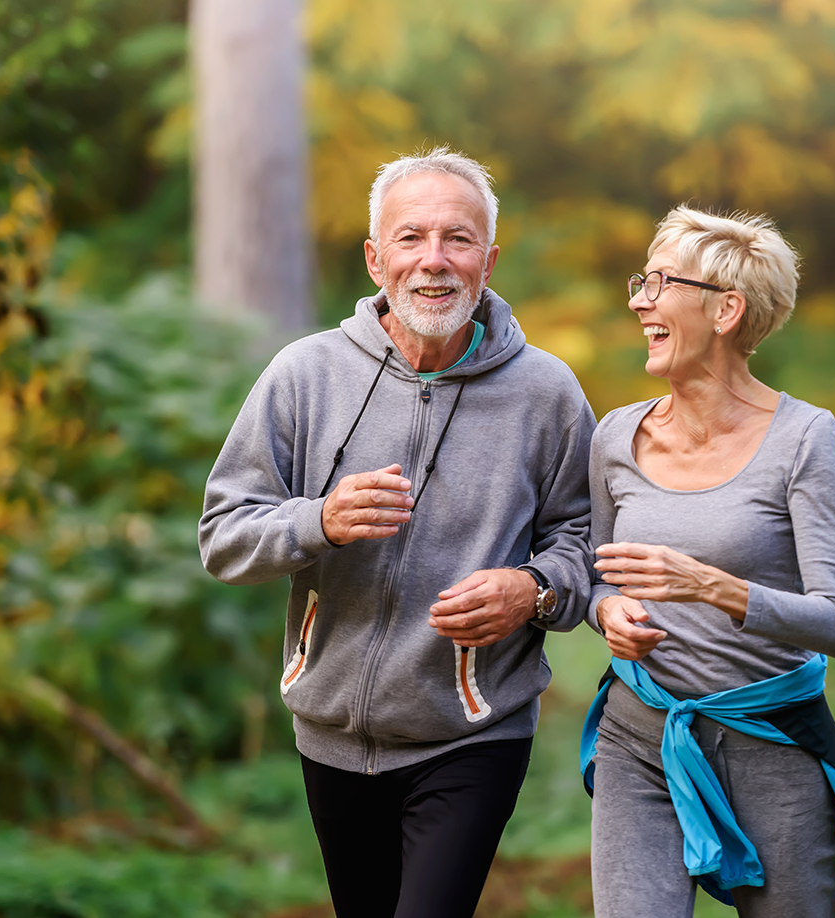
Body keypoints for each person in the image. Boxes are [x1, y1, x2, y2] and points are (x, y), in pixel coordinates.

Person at [199, 147, 595, 918]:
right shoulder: (304, 374)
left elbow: (584, 546)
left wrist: (533, 589)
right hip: (330, 731)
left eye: (458, 238)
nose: (434, 262)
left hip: (472, 731)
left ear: (489, 258)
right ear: (377, 259)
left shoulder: (546, 393)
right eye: (411, 238)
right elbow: (222, 536)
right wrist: (318, 521)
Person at [579, 205, 835, 918]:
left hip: (773, 745)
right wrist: (606, 608)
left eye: (659, 282)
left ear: (726, 309)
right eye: (640, 281)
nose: (638, 298)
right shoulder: (615, 437)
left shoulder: (804, 438)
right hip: (642, 740)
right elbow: (595, 571)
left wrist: (710, 586)